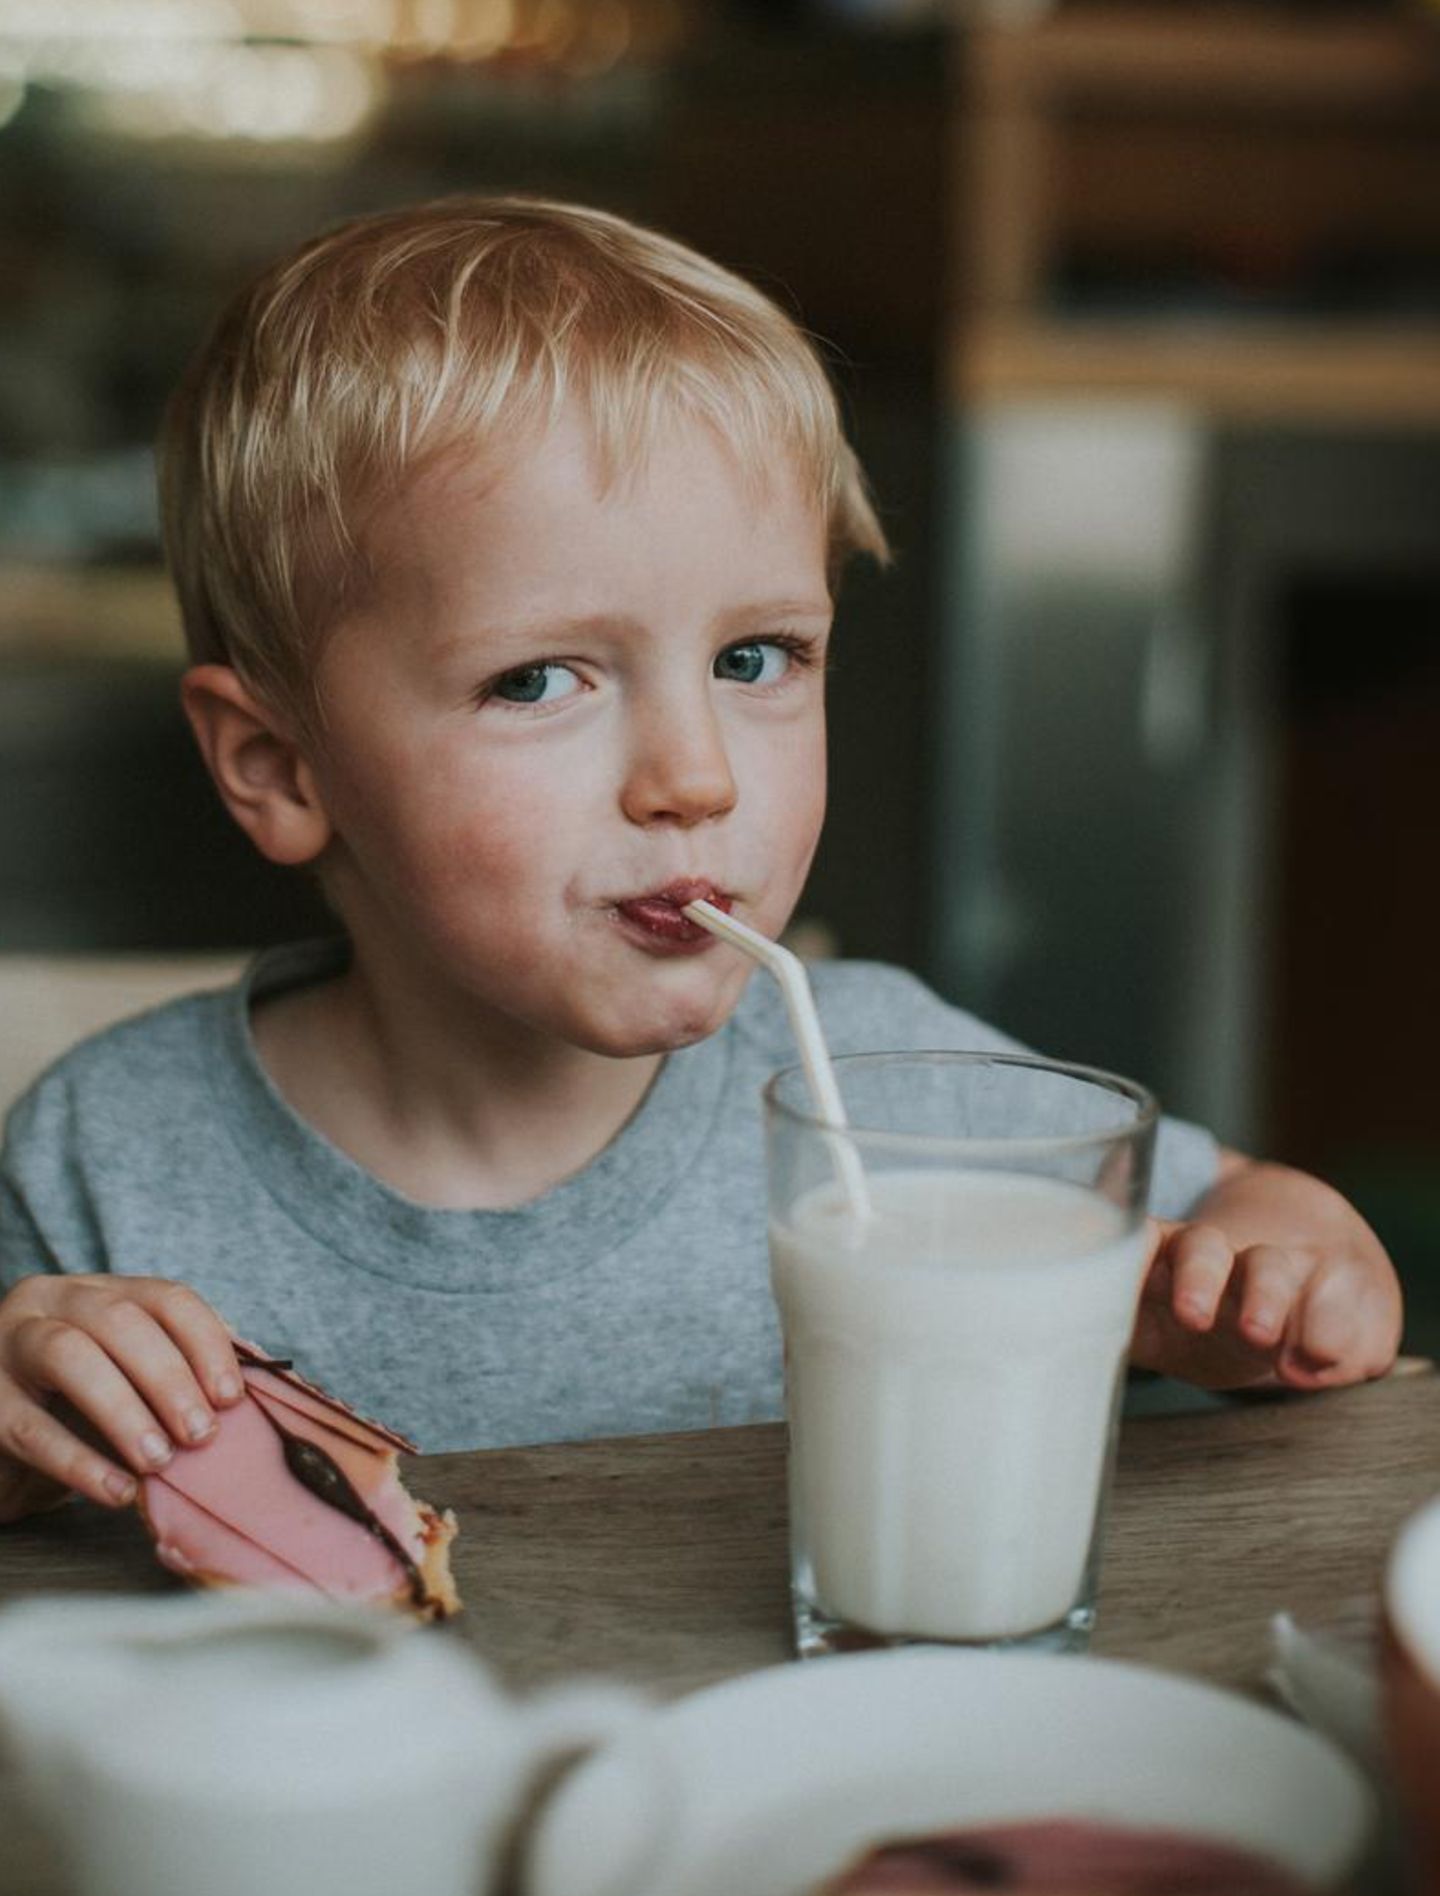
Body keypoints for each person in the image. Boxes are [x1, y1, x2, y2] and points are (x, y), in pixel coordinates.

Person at [0, 198, 1402, 1526]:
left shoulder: (880, 1092)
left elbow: (1232, 1236)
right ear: (280, 769)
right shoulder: (107, 1162)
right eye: (542, 680)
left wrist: (1279, 1266)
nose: (697, 776)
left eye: (755, 659)